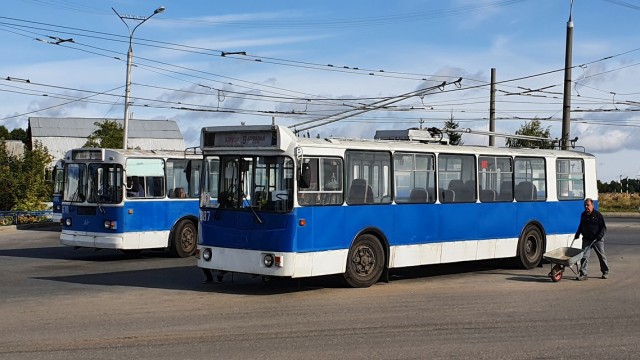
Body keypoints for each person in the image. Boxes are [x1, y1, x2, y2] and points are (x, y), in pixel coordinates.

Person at [574, 198, 610, 280]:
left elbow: (603, 227)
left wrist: (600, 236)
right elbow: (581, 225)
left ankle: (605, 271)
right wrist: (577, 234)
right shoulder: (583, 215)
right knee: (584, 256)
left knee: (601, 256)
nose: (586, 207)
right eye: (585, 205)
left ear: (592, 205)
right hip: (586, 239)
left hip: (597, 239)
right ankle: (583, 273)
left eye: (588, 205)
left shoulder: (598, 215)